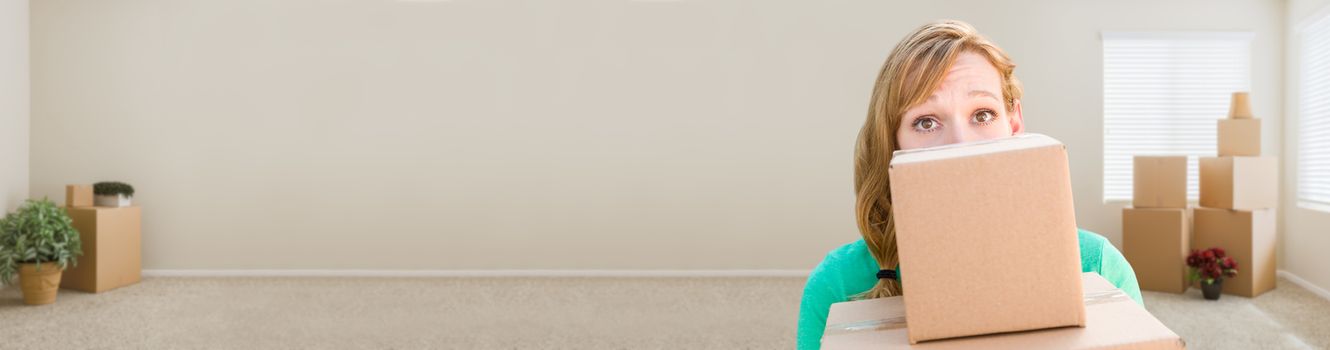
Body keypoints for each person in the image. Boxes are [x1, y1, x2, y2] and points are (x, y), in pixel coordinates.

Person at [795, 20, 1143, 350]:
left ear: (1014, 123)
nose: (961, 144)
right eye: (926, 122)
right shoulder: (837, 285)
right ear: (894, 143)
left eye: (982, 114)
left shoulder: (1097, 266)